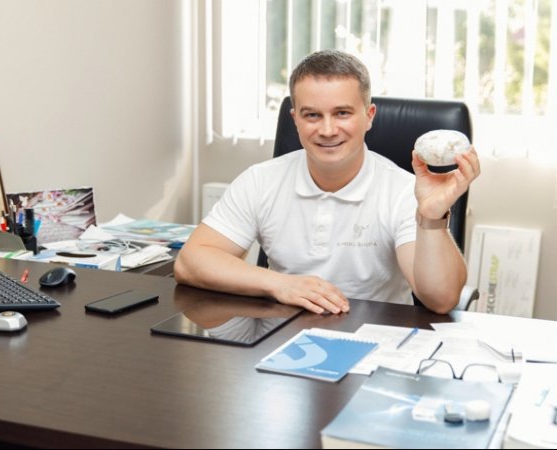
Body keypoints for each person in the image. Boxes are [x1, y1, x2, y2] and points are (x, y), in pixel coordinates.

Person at [174, 49, 480, 315]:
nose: (328, 130)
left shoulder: (402, 191)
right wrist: (279, 284)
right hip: (281, 334)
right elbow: (191, 262)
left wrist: (431, 217)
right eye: (312, 115)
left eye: (342, 113)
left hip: (375, 337)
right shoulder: (260, 180)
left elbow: (441, 299)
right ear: (295, 119)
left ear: (369, 116)